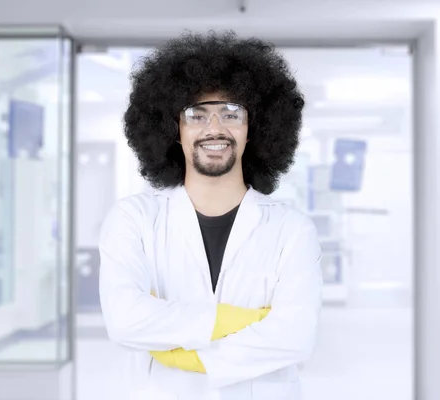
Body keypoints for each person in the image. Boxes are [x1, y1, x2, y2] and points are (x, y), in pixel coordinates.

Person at [99, 31, 323, 400]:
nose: (215, 129)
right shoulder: (133, 220)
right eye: (196, 114)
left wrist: (183, 350)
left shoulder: (292, 229)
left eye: (231, 114)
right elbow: (125, 321)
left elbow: (297, 337)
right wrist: (246, 322)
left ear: (255, 129)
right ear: (175, 129)